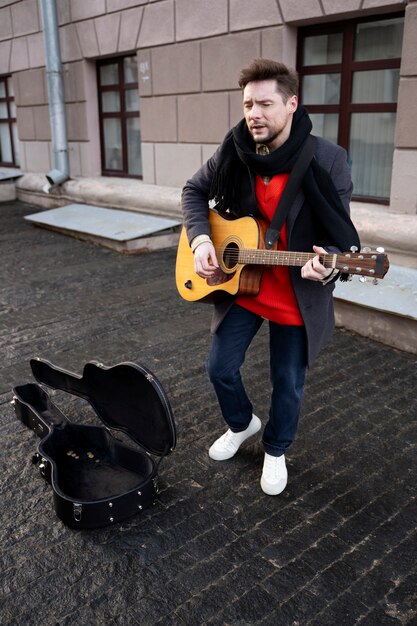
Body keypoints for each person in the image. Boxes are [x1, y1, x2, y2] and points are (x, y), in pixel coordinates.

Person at [181, 58, 360, 496]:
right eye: (247, 104)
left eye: (264, 104)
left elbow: (341, 233)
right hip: (244, 287)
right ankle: (242, 424)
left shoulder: (329, 160)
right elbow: (193, 190)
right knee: (219, 368)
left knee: (288, 384)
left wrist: (329, 262)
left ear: (292, 104)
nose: (253, 114)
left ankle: (276, 448)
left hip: (296, 295)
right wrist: (203, 241)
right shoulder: (234, 150)